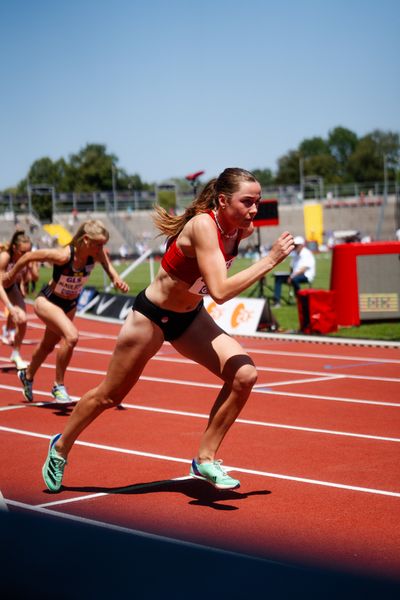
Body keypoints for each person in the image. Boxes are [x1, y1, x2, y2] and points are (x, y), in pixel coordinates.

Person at [41, 168, 294, 493]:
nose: (254, 209)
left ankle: (205, 457)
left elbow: (206, 287)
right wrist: (270, 260)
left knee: (244, 375)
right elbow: (219, 290)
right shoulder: (204, 225)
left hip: (189, 319)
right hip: (151, 317)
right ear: (222, 200)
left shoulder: (241, 229)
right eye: (247, 202)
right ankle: (61, 446)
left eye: (257, 202)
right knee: (109, 395)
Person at [1, 220, 129, 403]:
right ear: (86, 240)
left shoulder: (97, 253)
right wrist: (10, 275)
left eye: (103, 244)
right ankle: (58, 386)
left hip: (70, 305)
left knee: (47, 345)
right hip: (48, 301)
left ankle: (27, 375)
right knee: (71, 337)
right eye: (99, 244)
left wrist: (117, 280)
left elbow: (109, 269)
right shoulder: (63, 256)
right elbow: (29, 257)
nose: (102, 248)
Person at [0, 230, 34, 369]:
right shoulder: (5, 257)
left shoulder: (24, 258)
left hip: (11, 288)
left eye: (29, 252)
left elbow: (20, 275)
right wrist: (9, 306)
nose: (26, 255)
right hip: (1, 287)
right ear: (14, 248)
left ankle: (16, 353)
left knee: (23, 320)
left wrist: (22, 286)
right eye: (23, 252)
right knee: (15, 313)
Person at [272, 235, 315, 307]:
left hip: (306, 275)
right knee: (278, 278)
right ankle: (277, 301)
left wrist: (291, 277)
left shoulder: (307, 253)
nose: (295, 247)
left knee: (295, 279)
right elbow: (291, 266)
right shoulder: (295, 254)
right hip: (295, 275)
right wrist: (290, 275)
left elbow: (303, 270)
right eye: (294, 245)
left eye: (296, 245)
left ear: (301, 245)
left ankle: (299, 299)